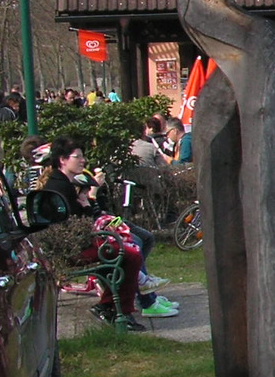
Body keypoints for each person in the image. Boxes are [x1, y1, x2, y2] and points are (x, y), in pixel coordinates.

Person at [36, 139, 177, 330]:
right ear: (62, 160)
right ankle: (121, 310)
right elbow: (78, 222)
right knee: (129, 253)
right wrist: (88, 204)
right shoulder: (61, 187)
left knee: (131, 245)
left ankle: (113, 304)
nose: (83, 161)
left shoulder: (62, 183)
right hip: (73, 248)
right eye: (77, 157)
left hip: (77, 243)